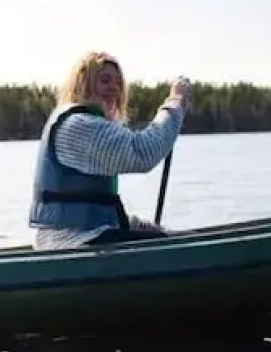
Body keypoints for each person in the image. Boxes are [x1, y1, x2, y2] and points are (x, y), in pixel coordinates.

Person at [28, 50, 192, 250]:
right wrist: (175, 103)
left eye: (118, 84)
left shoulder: (80, 122)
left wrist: (140, 226)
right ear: (83, 83)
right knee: (165, 245)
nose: (114, 89)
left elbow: (95, 210)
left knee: (161, 236)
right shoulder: (79, 126)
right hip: (74, 241)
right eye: (105, 81)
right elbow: (142, 152)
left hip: (81, 236)